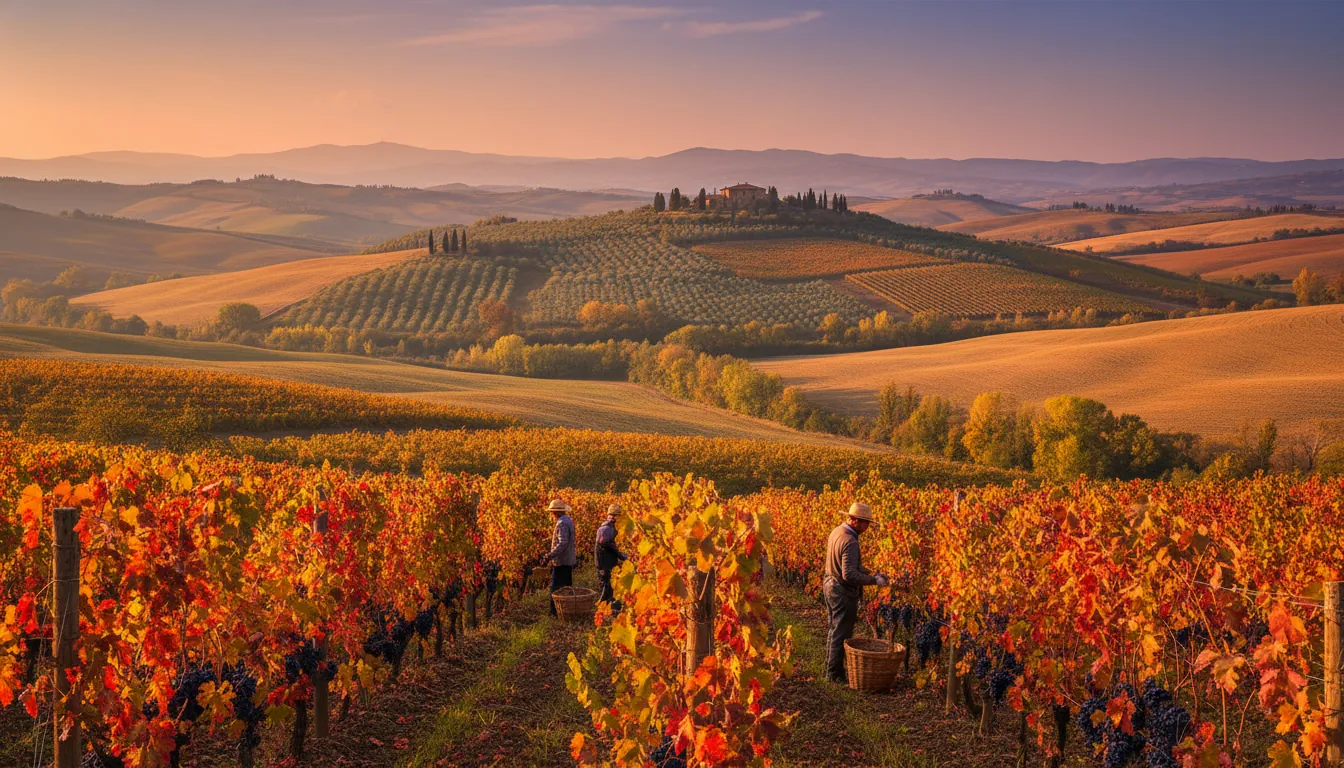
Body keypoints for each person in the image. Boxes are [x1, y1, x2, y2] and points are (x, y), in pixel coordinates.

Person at [823, 502, 889, 684]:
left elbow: (852, 566)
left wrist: (870, 573)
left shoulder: (837, 532)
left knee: (834, 629)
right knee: (841, 632)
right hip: (841, 590)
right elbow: (849, 574)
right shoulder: (850, 541)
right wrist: (874, 581)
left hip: (829, 584)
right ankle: (834, 675)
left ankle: (830, 670)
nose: (867, 527)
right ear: (857, 522)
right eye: (866, 523)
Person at [544, 499, 576, 616]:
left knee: (556, 588)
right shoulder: (568, 520)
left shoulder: (561, 523)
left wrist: (550, 555)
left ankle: (554, 612)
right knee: (567, 586)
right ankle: (567, 610)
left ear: (555, 512)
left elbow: (563, 542)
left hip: (561, 561)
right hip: (568, 559)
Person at [594, 503, 628, 609]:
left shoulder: (609, 527)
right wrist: (620, 555)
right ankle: (604, 608)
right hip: (604, 563)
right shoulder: (606, 528)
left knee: (609, 586)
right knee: (606, 586)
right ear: (615, 516)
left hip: (607, 562)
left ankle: (608, 607)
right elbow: (605, 543)